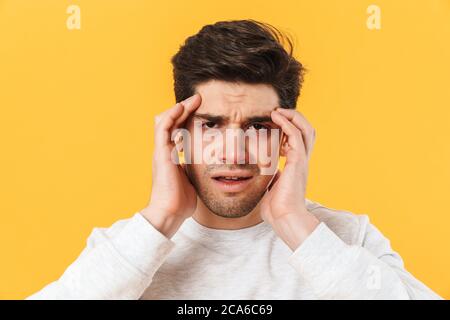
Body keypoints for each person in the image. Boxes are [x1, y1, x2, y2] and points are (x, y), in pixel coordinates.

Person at [28, 19, 441, 300]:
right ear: (179, 133)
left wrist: (296, 224)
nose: (233, 151)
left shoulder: (347, 239)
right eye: (211, 124)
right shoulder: (126, 248)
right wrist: (162, 217)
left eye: (259, 126)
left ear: (288, 137)